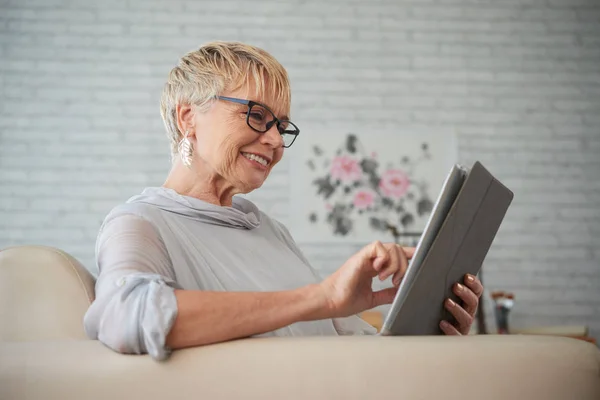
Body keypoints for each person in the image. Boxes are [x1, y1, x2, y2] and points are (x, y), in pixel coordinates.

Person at [83, 41, 483, 361]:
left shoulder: (269, 231)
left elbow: (345, 345)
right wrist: (323, 298)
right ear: (188, 117)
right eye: (256, 116)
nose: (275, 140)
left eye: (281, 125)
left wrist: (432, 334)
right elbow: (125, 316)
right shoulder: (139, 222)